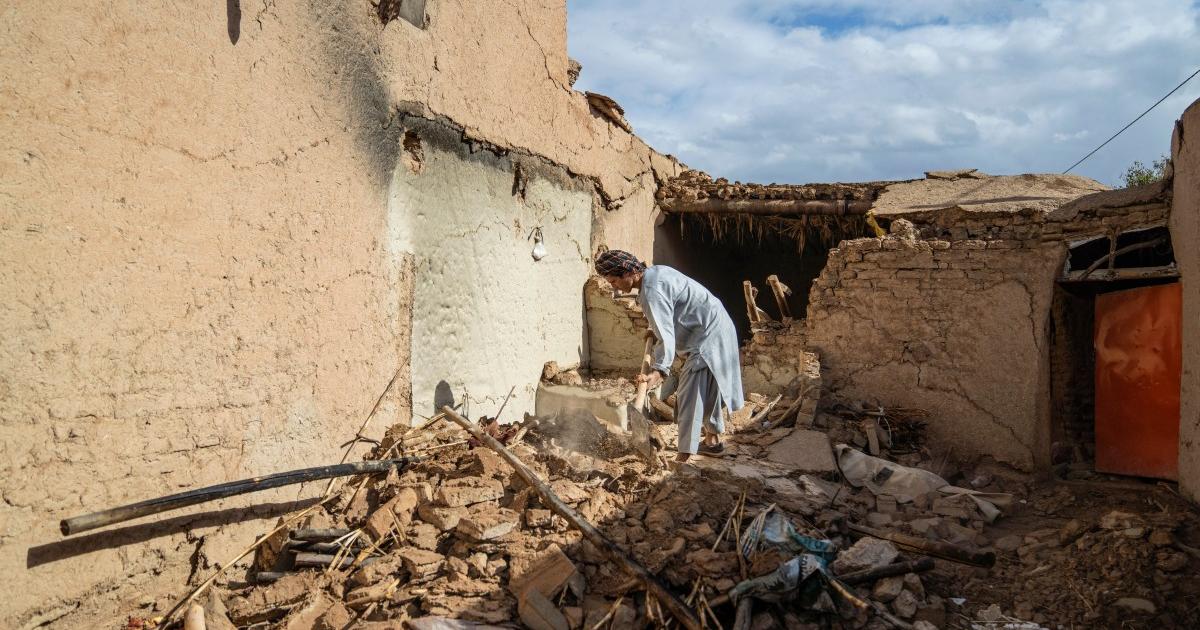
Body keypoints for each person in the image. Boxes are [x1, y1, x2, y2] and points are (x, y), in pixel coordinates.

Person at [594, 249, 744, 462]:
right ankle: (712, 441)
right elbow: (668, 315)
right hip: (719, 324)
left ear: (628, 273)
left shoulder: (652, 291)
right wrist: (653, 329)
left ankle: (683, 457)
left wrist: (660, 371)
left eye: (614, 281)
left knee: (688, 397)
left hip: (706, 337)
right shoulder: (656, 273)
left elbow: (666, 335)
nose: (613, 287)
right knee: (710, 389)